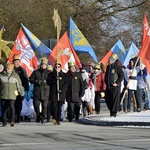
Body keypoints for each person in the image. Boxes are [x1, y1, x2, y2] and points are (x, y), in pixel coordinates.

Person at [29, 58, 50, 123]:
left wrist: (45, 82)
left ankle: (43, 117)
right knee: (36, 105)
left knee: (45, 106)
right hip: (37, 92)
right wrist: (37, 81)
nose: (43, 66)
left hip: (45, 92)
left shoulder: (49, 73)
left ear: (46, 65)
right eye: (42, 64)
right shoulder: (36, 72)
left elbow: (52, 81)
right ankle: (38, 115)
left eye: (44, 65)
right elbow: (31, 79)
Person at [12, 54, 29, 123]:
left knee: (19, 103)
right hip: (13, 89)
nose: (17, 63)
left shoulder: (22, 70)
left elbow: (25, 79)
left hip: (20, 89)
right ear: (13, 62)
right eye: (16, 62)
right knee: (12, 103)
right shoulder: (11, 69)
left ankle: (17, 117)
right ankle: (13, 117)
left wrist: (26, 87)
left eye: (18, 62)